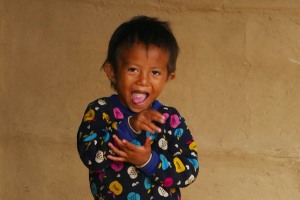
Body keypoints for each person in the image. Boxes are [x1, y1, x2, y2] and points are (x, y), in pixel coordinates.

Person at [77, 15, 199, 200]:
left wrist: (148, 162)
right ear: (112, 72)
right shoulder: (100, 111)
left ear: (168, 77)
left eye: (155, 72)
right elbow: (91, 157)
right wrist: (129, 127)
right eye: (133, 69)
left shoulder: (170, 119)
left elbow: (189, 170)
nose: (143, 80)